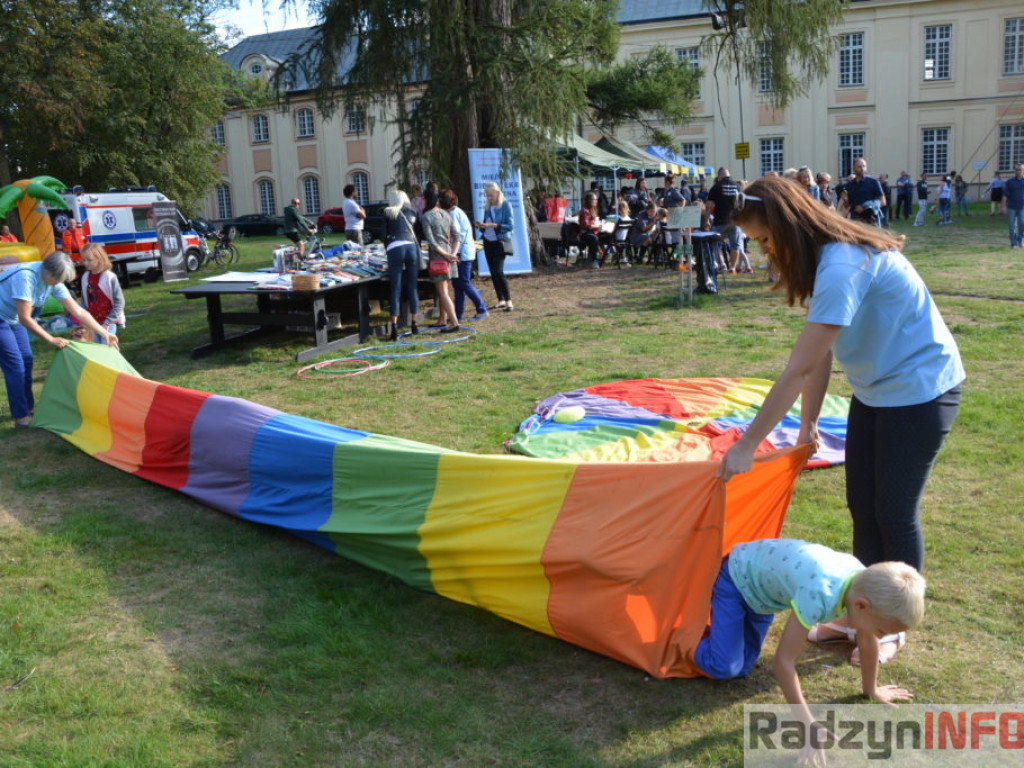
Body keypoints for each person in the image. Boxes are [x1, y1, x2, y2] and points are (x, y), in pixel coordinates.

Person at [719, 175, 963, 579]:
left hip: (922, 391)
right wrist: (808, 423)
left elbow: (799, 367)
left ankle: (892, 622)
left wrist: (747, 445)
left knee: (893, 512)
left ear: (784, 226)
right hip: (875, 391)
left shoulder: (842, 266)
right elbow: (819, 357)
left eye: (763, 240)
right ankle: (865, 611)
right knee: (863, 505)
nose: (763, 252)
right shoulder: (822, 261)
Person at [694, 538, 925, 766]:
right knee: (725, 666)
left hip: (763, 599)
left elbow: (867, 641)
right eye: (881, 630)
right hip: (736, 578)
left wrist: (871, 690)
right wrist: (807, 723)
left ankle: (714, 636)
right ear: (861, 606)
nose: (882, 638)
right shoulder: (819, 594)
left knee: (742, 666)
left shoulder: (864, 584)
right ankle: (679, 637)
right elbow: (783, 662)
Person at [0, 251, 119, 428]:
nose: (57, 284)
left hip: (13, 318)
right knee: (15, 365)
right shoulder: (26, 277)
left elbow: (78, 311)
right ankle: (21, 417)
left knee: (27, 359)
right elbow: (25, 318)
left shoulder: (53, 280)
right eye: (57, 279)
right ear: (48, 272)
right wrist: (50, 339)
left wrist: (104, 333)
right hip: (4, 318)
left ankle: (27, 407)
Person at [440, 188, 488, 322]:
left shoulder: (454, 214)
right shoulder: (454, 212)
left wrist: (453, 253)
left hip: (463, 253)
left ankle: (481, 309)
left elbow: (457, 236)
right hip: (461, 252)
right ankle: (458, 314)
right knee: (457, 285)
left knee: (464, 283)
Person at [382, 190, 421, 341]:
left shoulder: (388, 212)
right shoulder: (412, 212)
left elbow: (383, 234)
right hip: (411, 247)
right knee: (412, 286)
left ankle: (394, 327)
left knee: (395, 288)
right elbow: (417, 233)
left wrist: (388, 248)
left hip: (395, 247)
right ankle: (414, 323)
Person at [420, 187, 459, 332]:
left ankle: (454, 323)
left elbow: (431, 241)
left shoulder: (427, 216)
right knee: (445, 290)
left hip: (438, 257)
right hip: (449, 255)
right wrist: (452, 254)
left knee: (442, 292)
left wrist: (445, 255)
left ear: (426, 199)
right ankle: (443, 319)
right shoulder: (446, 214)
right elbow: (457, 236)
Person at [474, 182, 514, 312]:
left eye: (491, 195)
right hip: (488, 241)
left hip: (500, 241)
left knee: (499, 271)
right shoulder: (487, 207)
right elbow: (487, 223)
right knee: (493, 271)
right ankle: (500, 299)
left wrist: (494, 225)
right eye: (487, 196)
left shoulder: (505, 205)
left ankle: (509, 301)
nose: (489, 198)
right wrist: (481, 225)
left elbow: (510, 225)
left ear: (497, 193)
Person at [79, 243, 125, 345]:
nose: (85, 263)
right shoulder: (85, 277)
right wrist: (84, 320)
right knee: (96, 349)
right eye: (84, 260)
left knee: (107, 346)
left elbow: (119, 302)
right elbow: (84, 301)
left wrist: (108, 322)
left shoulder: (109, 277)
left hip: (108, 322)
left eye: (89, 260)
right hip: (92, 322)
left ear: (99, 259)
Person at [706, 167, 743, 271]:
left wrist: (705, 221)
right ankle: (732, 268)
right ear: (729, 175)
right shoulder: (738, 187)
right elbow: (742, 205)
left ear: (719, 176)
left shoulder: (715, 188)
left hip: (719, 221)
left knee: (715, 244)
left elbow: (708, 206)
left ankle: (718, 265)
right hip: (735, 221)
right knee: (735, 245)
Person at [844, 157, 885, 226]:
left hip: (871, 220)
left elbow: (883, 202)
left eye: (864, 166)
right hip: (856, 220)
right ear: (854, 168)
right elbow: (848, 205)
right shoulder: (850, 185)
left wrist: (865, 206)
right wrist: (845, 200)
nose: (862, 169)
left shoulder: (873, 182)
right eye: (859, 167)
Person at [577, 190, 604, 269]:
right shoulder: (584, 210)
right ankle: (594, 260)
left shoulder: (593, 210)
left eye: (596, 199)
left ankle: (604, 257)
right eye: (594, 199)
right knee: (594, 238)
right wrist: (596, 226)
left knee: (608, 236)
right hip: (585, 234)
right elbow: (586, 225)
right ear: (589, 200)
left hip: (593, 232)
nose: (596, 201)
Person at [1006, 163, 1024, 249]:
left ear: (1023, 171)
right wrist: (1002, 206)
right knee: (1012, 225)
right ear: (1014, 171)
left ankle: (1021, 240)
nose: (1019, 171)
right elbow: (1005, 194)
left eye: (1020, 170)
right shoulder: (1010, 181)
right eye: (1017, 170)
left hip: (1022, 206)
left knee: (1022, 223)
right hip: (1011, 206)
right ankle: (1013, 242)